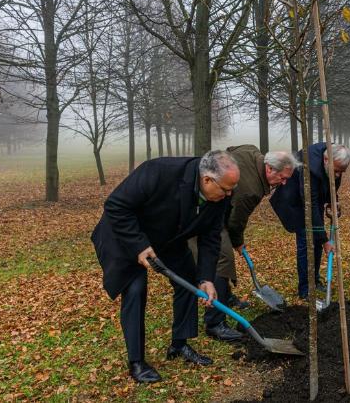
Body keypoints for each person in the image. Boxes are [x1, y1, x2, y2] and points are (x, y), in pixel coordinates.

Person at [91, 150, 239, 384]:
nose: (229, 194)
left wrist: (206, 278)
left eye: (232, 189)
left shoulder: (222, 193)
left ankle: (179, 344)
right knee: (136, 289)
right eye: (225, 189)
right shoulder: (159, 171)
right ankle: (137, 362)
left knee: (189, 280)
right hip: (125, 235)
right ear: (207, 180)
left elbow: (211, 236)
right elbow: (116, 205)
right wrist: (139, 245)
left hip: (169, 236)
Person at [189, 146, 298, 341]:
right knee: (223, 259)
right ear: (269, 169)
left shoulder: (252, 151)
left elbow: (231, 150)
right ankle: (215, 322)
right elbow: (235, 221)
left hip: (215, 206)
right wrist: (238, 242)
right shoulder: (252, 190)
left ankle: (227, 297)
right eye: (282, 178)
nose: (283, 183)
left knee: (224, 256)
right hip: (204, 212)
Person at [269, 143, 350, 299]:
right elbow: (311, 204)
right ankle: (305, 288)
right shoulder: (310, 169)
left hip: (313, 201)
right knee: (307, 243)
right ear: (326, 160)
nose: (338, 175)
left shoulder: (331, 158)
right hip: (296, 203)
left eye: (342, 172)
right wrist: (325, 240)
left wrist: (332, 201)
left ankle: (314, 281)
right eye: (336, 171)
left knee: (316, 242)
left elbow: (332, 184)